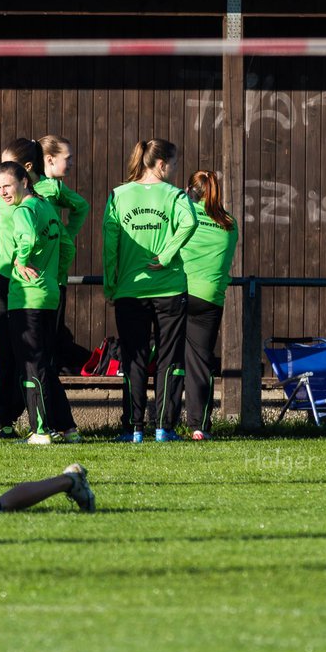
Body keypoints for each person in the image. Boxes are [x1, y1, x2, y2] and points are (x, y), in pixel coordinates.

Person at [103, 138, 197, 443]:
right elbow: (190, 222)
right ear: (161, 164)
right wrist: (168, 254)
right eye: (175, 163)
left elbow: (109, 245)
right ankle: (164, 428)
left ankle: (133, 428)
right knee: (170, 358)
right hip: (169, 287)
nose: (175, 169)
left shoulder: (118, 195)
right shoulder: (174, 196)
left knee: (134, 358)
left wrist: (110, 284)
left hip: (130, 290)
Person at [0, 160, 77, 443]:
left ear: (24, 182)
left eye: (8, 185)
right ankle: (68, 428)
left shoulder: (24, 210)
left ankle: (40, 430)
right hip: (49, 294)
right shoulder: (46, 208)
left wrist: (22, 259)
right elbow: (67, 246)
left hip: (26, 297)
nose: (3, 192)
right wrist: (54, 273)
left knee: (31, 365)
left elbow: (27, 237)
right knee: (44, 364)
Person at [0, 137, 45, 439]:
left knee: (34, 354)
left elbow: (67, 222)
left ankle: (42, 420)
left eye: (8, 182)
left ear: (25, 172)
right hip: (5, 277)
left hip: (34, 284)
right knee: (5, 350)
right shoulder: (0, 192)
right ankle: (3, 419)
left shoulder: (42, 196)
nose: (2, 190)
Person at [179, 170, 238, 440]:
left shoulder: (185, 215)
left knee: (170, 359)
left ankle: (162, 422)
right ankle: (199, 425)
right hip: (211, 297)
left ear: (191, 189)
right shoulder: (229, 223)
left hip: (180, 290)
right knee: (201, 362)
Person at [35, 135, 89, 369]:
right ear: (49, 159)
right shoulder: (32, 187)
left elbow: (82, 206)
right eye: (68, 158)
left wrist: (66, 235)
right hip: (35, 271)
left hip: (56, 273)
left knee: (52, 329)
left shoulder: (56, 187)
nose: (72, 162)